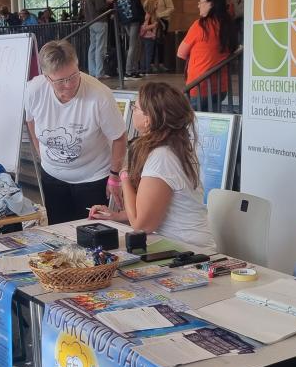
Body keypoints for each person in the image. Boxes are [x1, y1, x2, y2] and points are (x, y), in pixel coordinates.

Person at [90, 82, 216, 253]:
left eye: (136, 107)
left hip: (188, 251)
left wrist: (124, 175)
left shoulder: (162, 157)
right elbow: (154, 207)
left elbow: (142, 225)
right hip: (178, 246)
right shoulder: (175, 146)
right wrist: (116, 216)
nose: (133, 110)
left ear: (149, 119)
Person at [24, 40, 127, 224]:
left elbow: (119, 137)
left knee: (93, 234)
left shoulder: (99, 95)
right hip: (53, 177)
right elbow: (31, 120)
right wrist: (41, 152)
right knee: (60, 233)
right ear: (47, 78)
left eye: (73, 76)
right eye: (61, 81)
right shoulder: (34, 90)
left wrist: (114, 175)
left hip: (93, 178)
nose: (69, 85)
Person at [177, 0, 239, 111]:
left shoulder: (200, 25)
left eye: (201, 1)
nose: (198, 5)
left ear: (211, 4)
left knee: (195, 124)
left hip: (199, 87)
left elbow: (181, 53)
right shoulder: (228, 25)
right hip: (221, 87)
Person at [117, 0, 146, 78]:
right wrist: (141, 15)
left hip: (126, 18)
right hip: (133, 18)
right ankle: (130, 70)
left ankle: (132, 69)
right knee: (133, 44)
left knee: (134, 44)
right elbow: (135, 2)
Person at [83, 0, 110, 79]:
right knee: (100, 47)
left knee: (92, 47)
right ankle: (100, 72)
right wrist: (107, 3)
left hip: (91, 22)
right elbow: (100, 7)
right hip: (100, 20)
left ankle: (92, 71)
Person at [146, 0, 174, 72]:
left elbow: (171, 8)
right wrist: (150, 2)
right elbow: (145, 6)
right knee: (152, 42)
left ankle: (161, 63)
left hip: (162, 22)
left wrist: (160, 14)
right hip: (152, 21)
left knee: (160, 42)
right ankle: (152, 63)